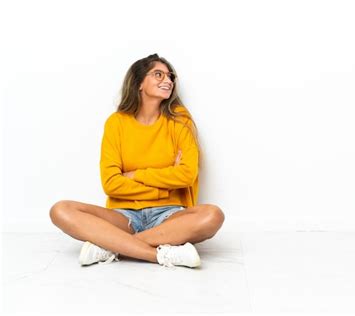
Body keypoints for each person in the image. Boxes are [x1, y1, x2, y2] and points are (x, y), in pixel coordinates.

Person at [49, 53, 225, 268]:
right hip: (123, 216)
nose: (168, 80)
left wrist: (136, 175)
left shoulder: (179, 119)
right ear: (139, 83)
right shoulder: (116, 123)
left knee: (212, 215)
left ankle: (111, 246)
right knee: (61, 210)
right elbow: (111, 183)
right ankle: (160, 254)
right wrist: (166, 185)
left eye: (170, 77)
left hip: (169, 216)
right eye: (158, 74)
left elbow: (187, 175)